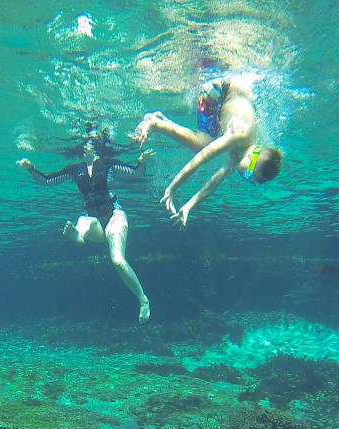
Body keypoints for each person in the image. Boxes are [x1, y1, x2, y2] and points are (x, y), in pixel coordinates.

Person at [17, 138, 154, 324]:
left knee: (118, 261)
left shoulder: (108, 164)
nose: (87, 149)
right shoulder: (76, 170)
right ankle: (77, 235)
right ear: (82, 149)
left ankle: (143, 299)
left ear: (97, 147)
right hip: (94, 222)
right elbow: (48, 180)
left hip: (115, 216)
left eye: (91, 145)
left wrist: (142, 161)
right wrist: (31, 168)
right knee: (83, 221)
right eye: (85, 145)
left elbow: (137, 173)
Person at [133, 75, 282, 228]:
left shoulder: (242, 153)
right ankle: (155, 124)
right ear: (252, 156)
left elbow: (215, 182)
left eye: (249, 179)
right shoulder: (240, 135)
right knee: (202, 145)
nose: (245, 176)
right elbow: (201, 158)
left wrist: (189, 206)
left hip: (225, 95)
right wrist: (172, 188)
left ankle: (164, 122)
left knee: (206, 138)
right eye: (250, 174)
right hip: (216, 91)